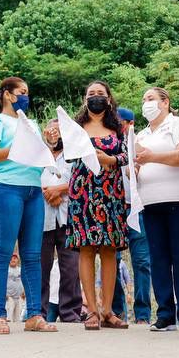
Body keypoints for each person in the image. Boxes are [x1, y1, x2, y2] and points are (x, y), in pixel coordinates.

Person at [0, 77, 55, 334]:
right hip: (4, 187)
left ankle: (34, 314)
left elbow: (36, 155)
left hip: (33, 189)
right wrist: (17, 148)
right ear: (7, 95)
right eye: (22, 92)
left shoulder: (30, 122)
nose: (26, 96)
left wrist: (49, 143)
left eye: (27, 92)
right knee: (2, 253)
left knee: (32, 255)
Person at [134, 87, 179, 332]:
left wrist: (150, 158)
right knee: (158, 258)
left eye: (150, 99)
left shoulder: (178, 124)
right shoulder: (140, 134)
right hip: (150, 201)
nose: (146, 104)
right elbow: (136, 167)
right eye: (143, 100)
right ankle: (164, 313)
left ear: (165, 102)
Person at [67, 81, 130, 330]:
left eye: (100, 94)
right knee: (86, 249)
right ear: (85, 99)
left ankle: (108, 310)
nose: (95, 97)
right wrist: (52, 140)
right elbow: (63, 151)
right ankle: (91, 311)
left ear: (109, 99)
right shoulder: (76, 127)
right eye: (91, 94)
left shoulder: (119, 127)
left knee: (109, 250)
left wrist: (111, 159)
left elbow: (128, 155)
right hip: (82, 192)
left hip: (111, 194)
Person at [111, 106, 152, 325]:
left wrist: (135, 168)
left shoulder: (139, 144)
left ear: (130, 124)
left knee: (142, 262)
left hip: (138, 208)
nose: (118, 127)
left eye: (121, 123)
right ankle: (117, 312)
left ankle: (143, 314)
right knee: (113, 261)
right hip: (115, 208)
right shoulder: (108, 145)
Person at [40, 119, 84, 323]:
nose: (56, 135)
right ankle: (37, 311)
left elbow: (81, 180)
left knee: (71, 268)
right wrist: (49, 193)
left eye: (60, 131)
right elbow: (29, 178)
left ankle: (70, 312)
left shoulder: (74, 156)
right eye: (52, 130)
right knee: (41, 266)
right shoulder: (38, 155)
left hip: (68, 217)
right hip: (42, 218)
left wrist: (59, 190)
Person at [5, 252, 26, 323]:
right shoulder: (5, 269)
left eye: (15, 258)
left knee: (18, 318)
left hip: (19, 297)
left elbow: (24, 281)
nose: (13, 259)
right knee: (9, 317)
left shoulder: (21, 270)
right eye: (11, 258)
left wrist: (24, 292)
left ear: (18, 260)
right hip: (9, 297)